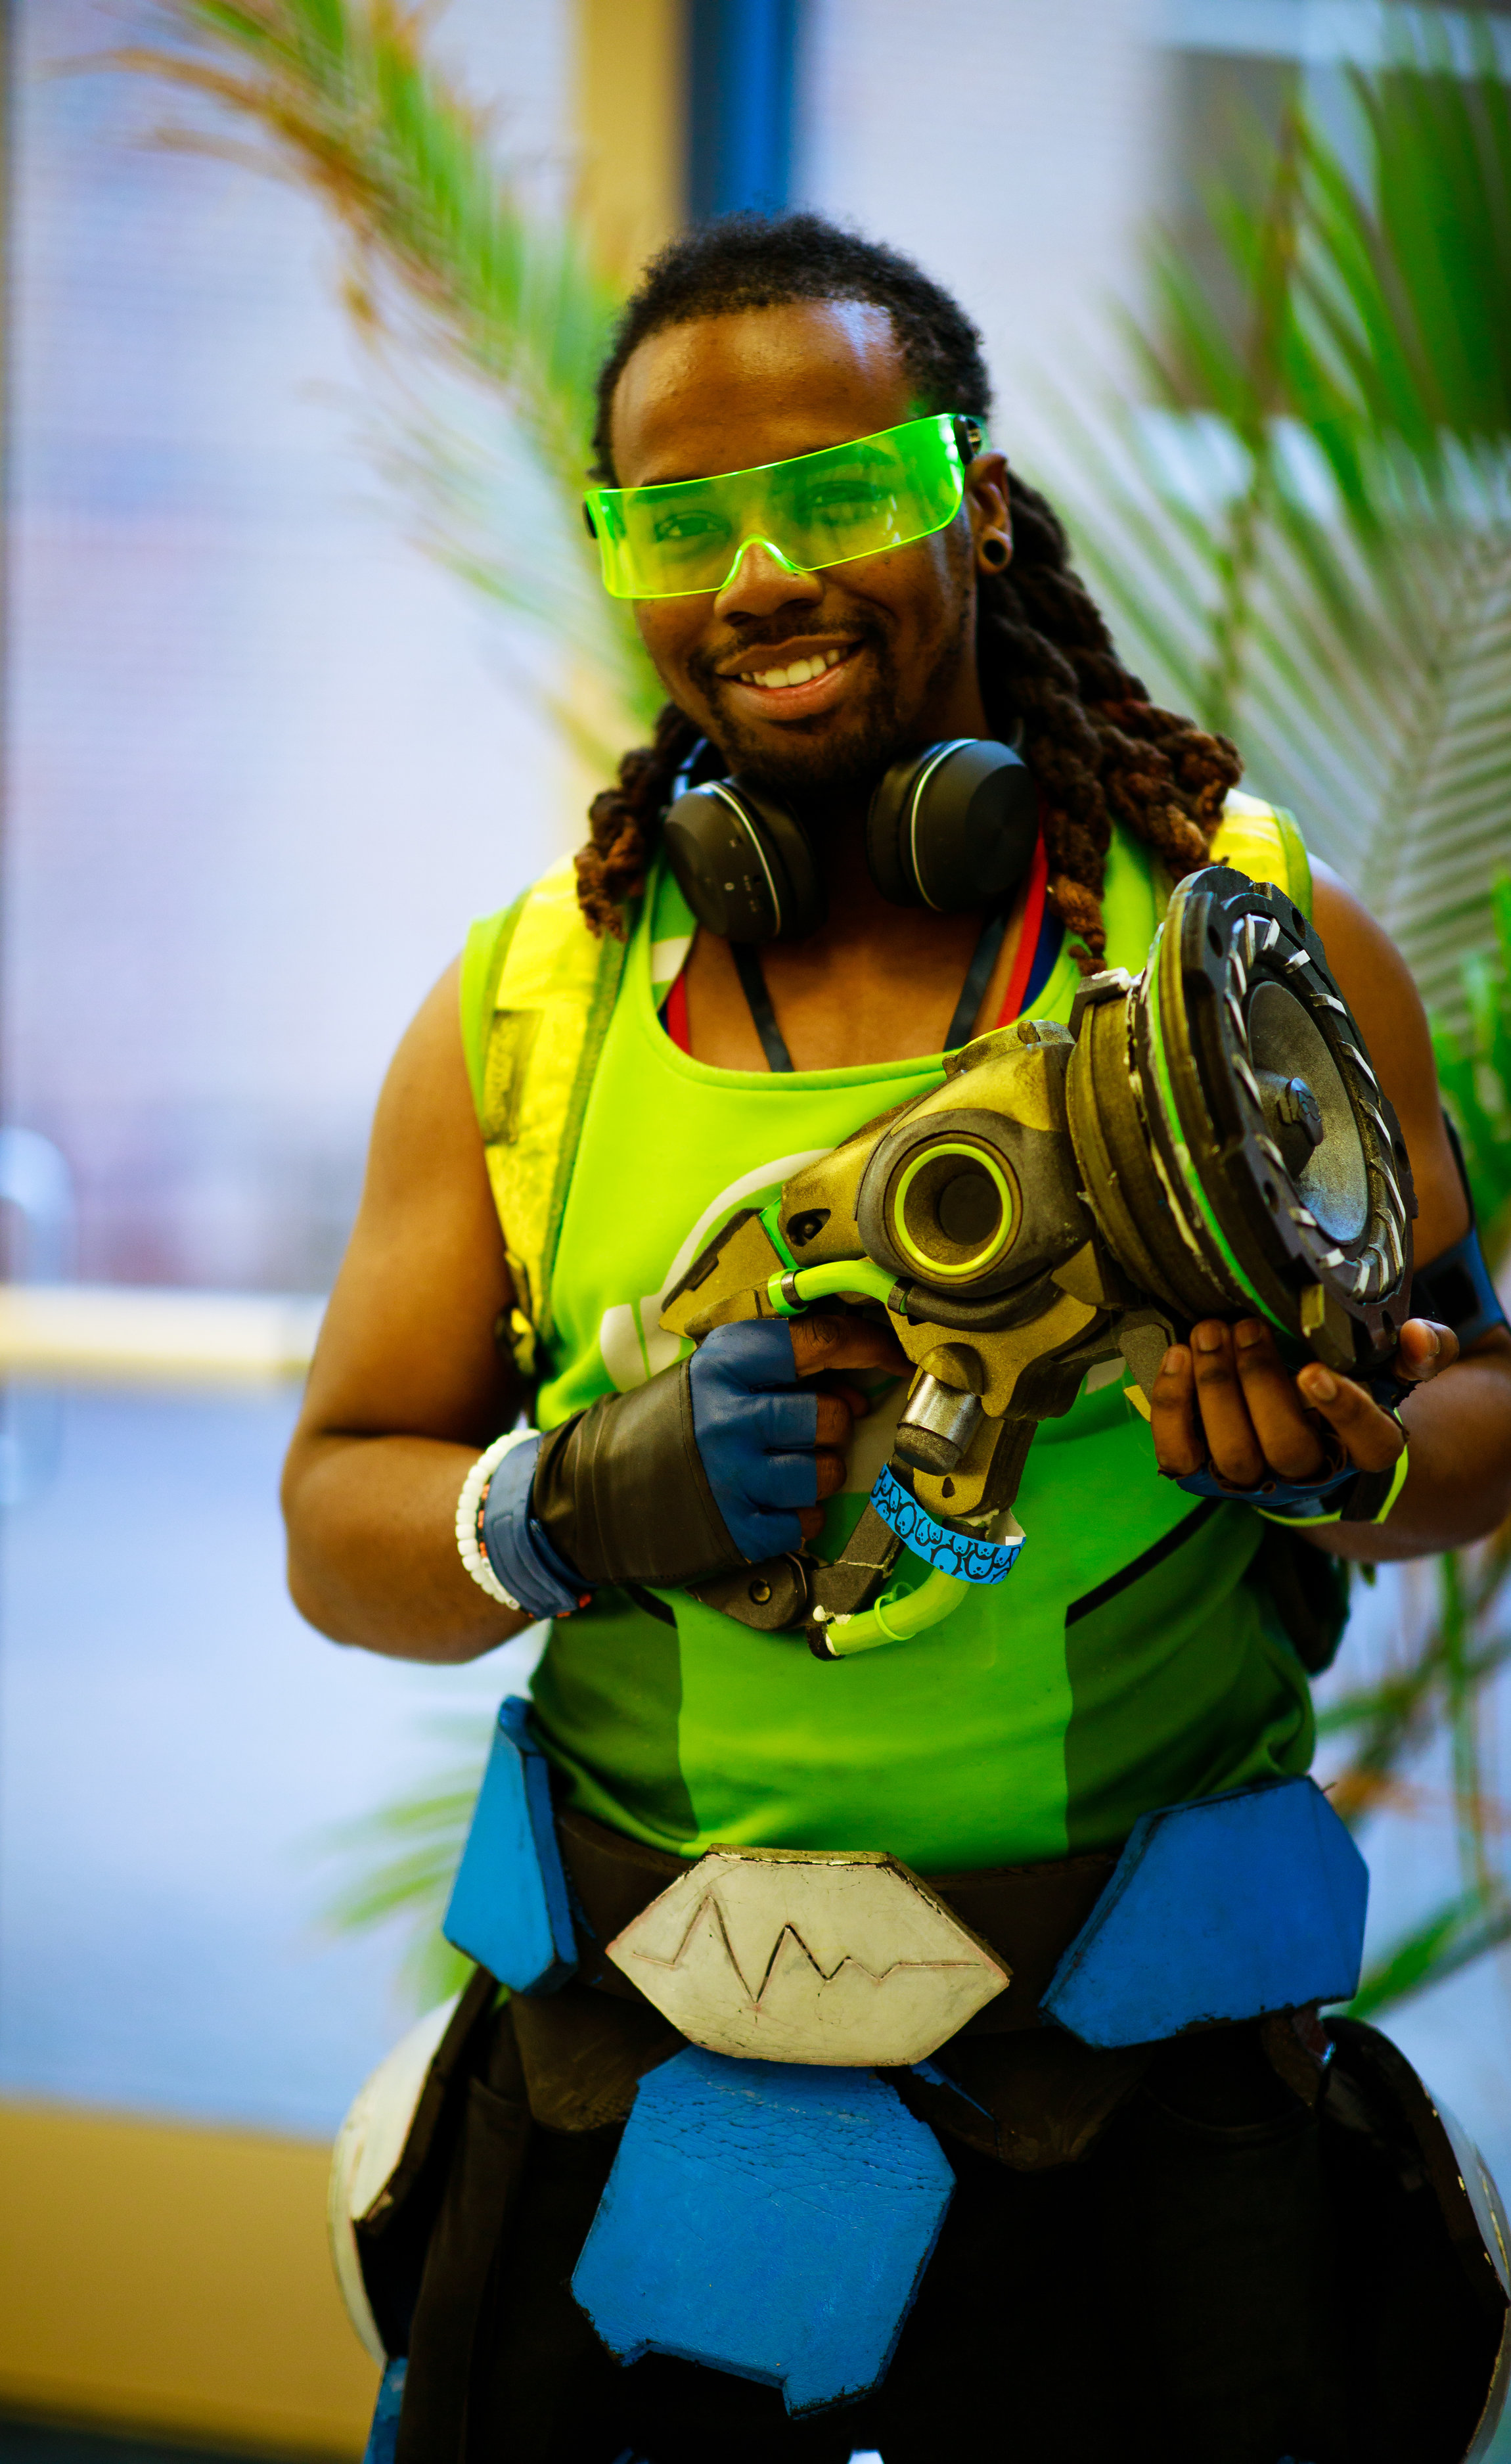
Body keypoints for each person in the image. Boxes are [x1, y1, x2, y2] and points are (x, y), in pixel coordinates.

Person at [282, 216, 1511, 2464]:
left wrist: (1341, 1460)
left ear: (980, 503)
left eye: (841, 494)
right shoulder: (529, 1007)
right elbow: (336, 1523)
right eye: (680, 522)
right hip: (619, 2087)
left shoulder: (1237, 938)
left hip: (1147, 2125)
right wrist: (560, 1509)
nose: (761, 575)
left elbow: (1485, 1407)